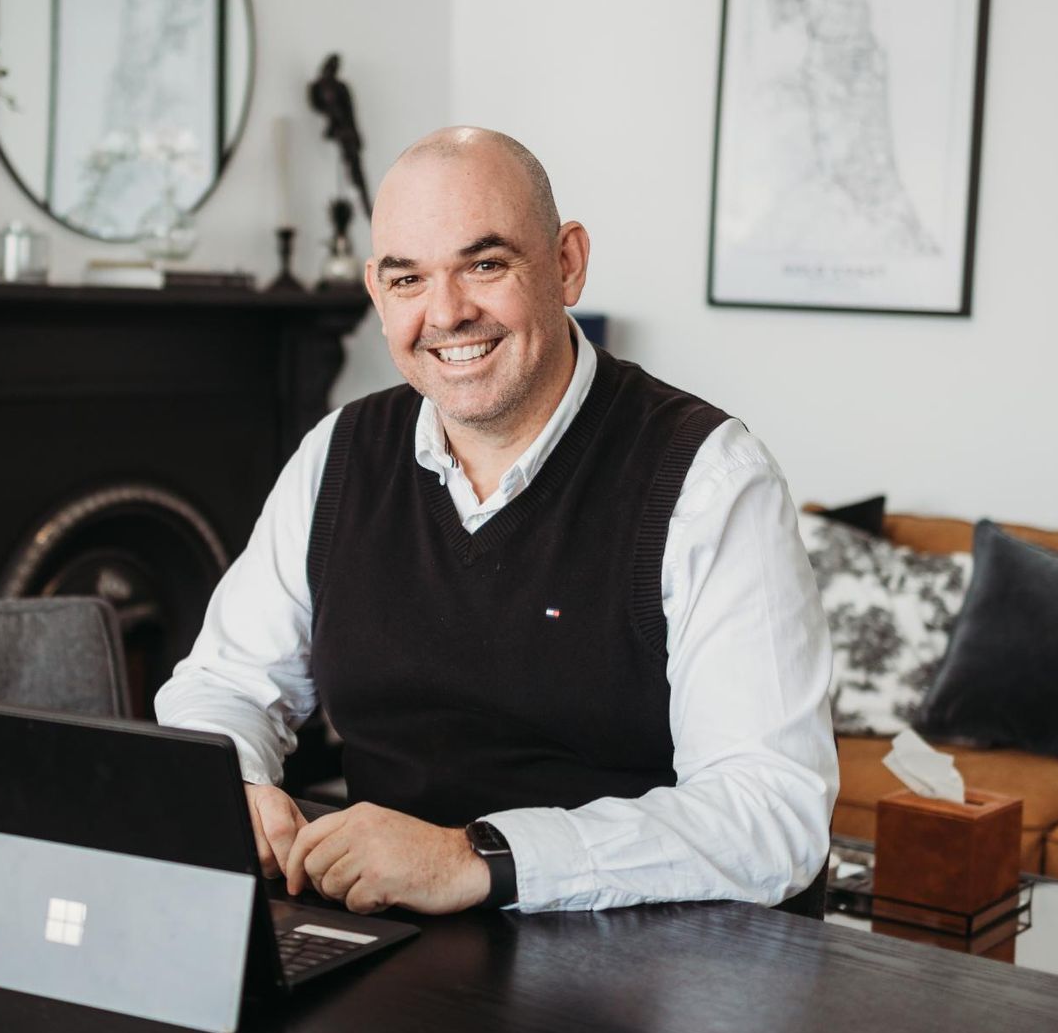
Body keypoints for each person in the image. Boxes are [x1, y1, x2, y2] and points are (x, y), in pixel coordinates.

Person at [155, 127, 835, 915]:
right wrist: (233, 776)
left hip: (647, 981)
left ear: (567, 263)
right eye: (409, 278)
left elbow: (772, 815)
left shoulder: (711, 480)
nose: (447, 313)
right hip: (394, 948)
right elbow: (226, 681)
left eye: (485, 265)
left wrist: (473, 858)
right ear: (377, 293)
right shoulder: (335, 457)